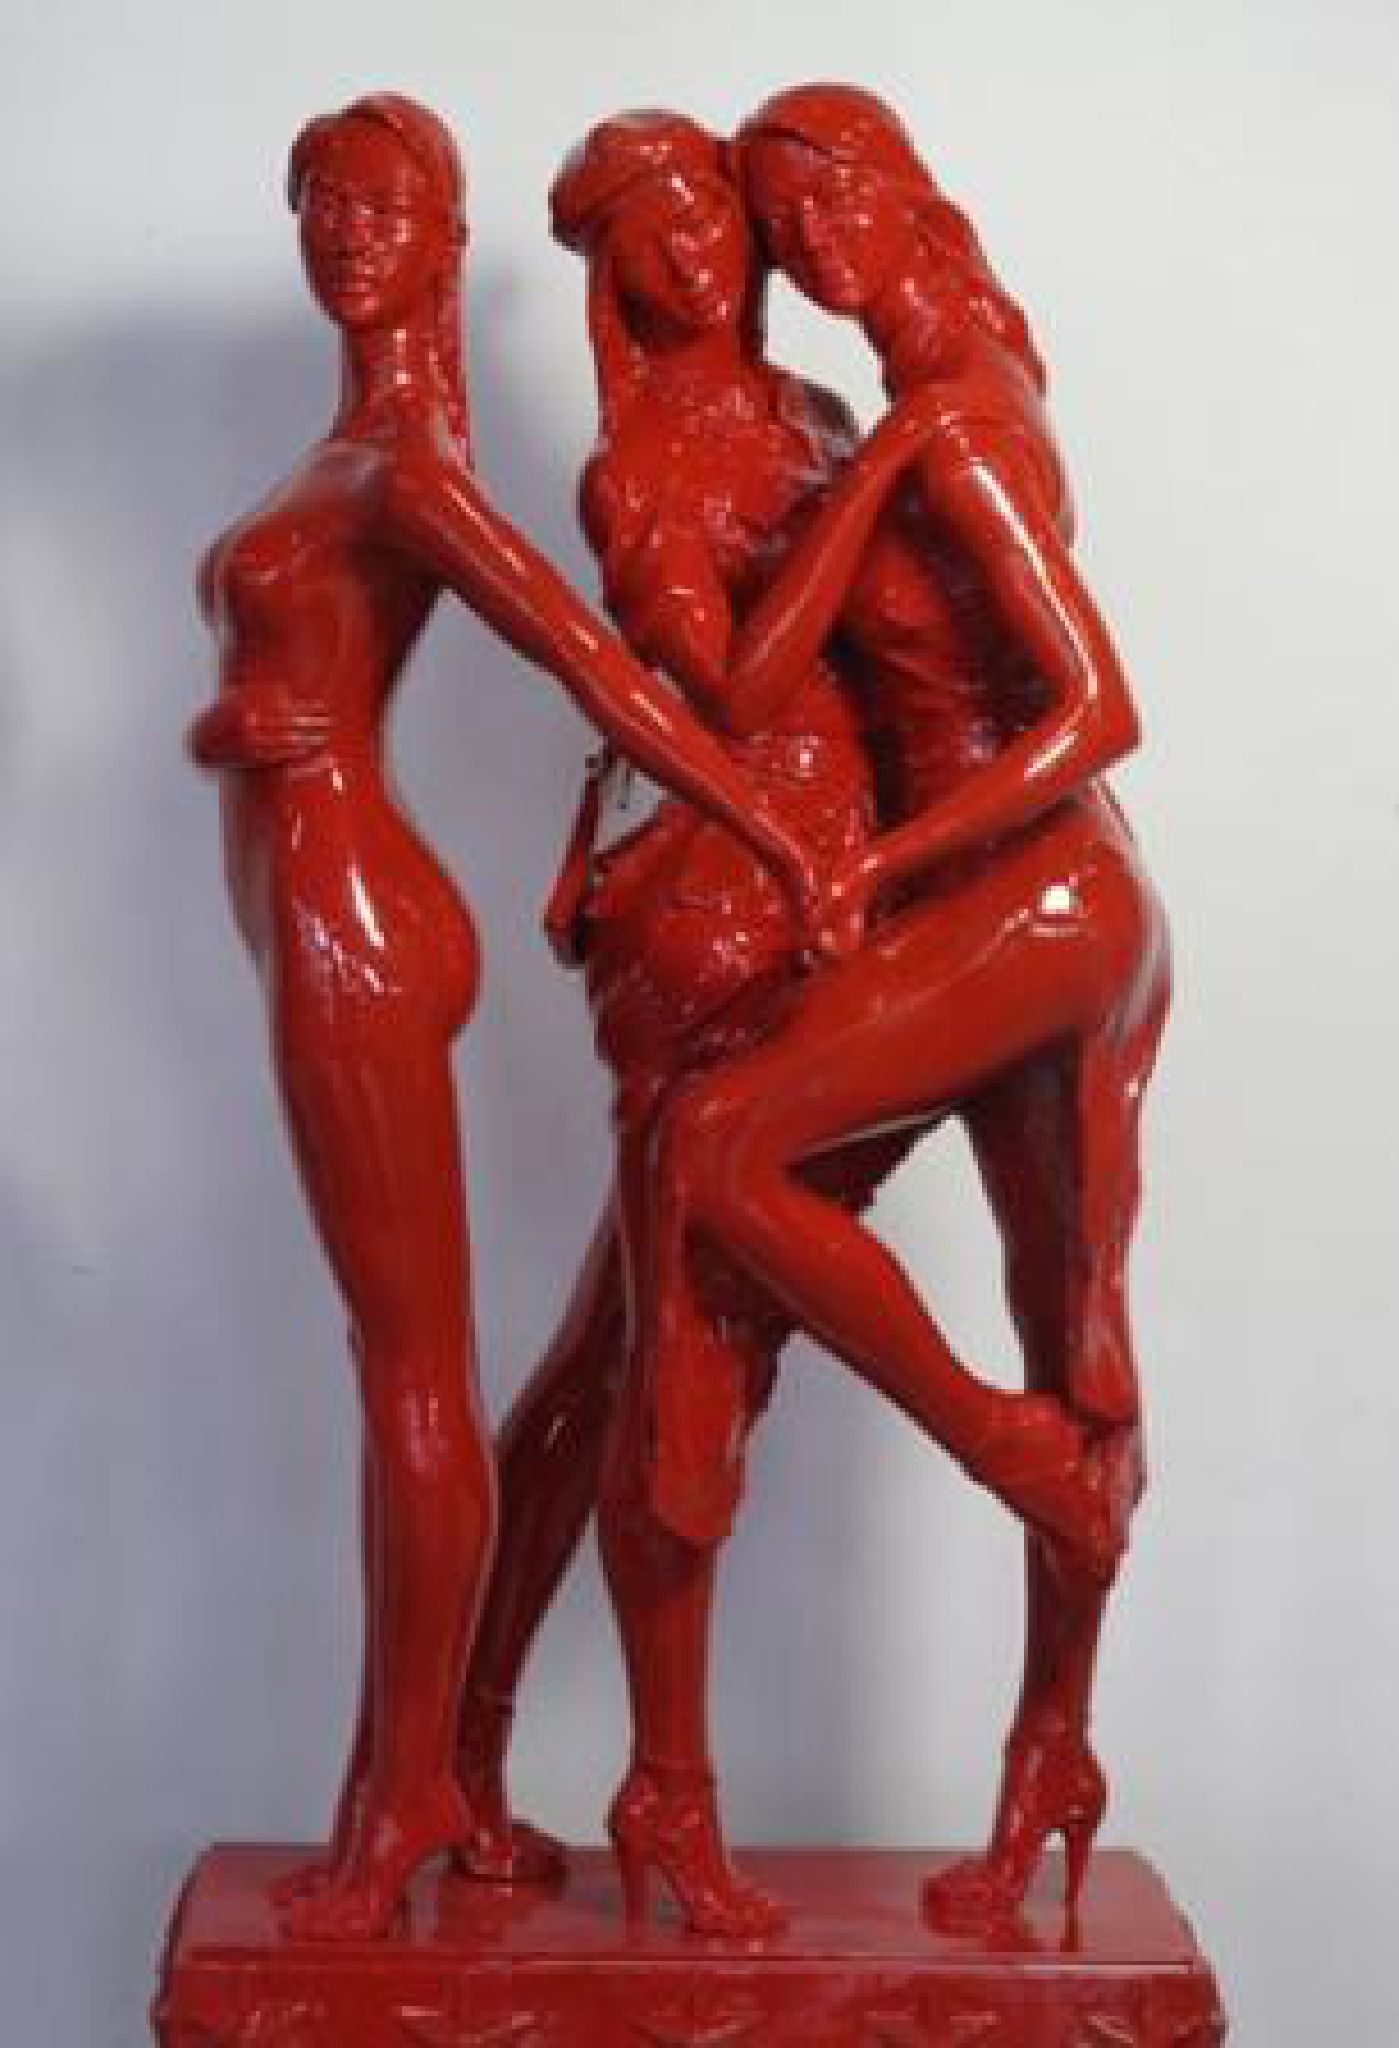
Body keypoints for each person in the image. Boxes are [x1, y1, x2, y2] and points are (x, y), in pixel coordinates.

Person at [188, 93, 830, 1941]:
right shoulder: (353, 455)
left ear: (447, 244)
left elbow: (593, 662)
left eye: (384, 206)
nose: (344, 232)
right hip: (324, 908)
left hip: (356, 925)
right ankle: (454, 1789)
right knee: (415, 1368)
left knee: (409, 1376)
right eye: (319, 200)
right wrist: (232, 728)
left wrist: (768, 826)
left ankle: (397, 1803)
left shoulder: (405, 467)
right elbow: (300, 680)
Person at [611, 83, 1173, 1930]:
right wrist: (860, 481)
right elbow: (749, 673)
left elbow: (1101, 709)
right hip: (1020, 902)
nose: (813, 247)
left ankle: (999, 1451)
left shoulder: (959, 420)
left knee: (722, 1147)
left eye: (830, 200)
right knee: (1076, 1325)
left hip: (1045, 895)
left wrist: (888, 857)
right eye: (787, 228)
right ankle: (1052, 1758)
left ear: (901, 187)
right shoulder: (909, 413)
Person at [454, 110, 958, 1935]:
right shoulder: (641, 459)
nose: (697, 250)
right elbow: (715, 690)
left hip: (838, 887)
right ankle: (663, 1791)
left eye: (712, 218)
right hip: (723, 897)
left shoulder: (813, 411)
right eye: (654, 229)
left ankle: (459, 1738)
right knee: (683, 1342)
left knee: (625, 1336)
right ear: (609, 269)